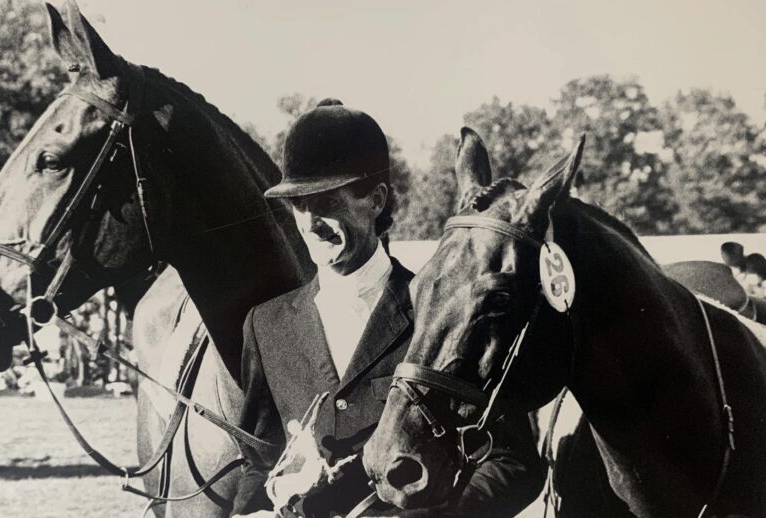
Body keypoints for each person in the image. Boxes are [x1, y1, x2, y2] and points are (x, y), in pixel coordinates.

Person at [231, 99, 544, 517]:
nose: (307, 222)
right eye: (297, 205)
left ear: (376, 201)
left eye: (324, 202)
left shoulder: (441, 316)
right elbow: (259, 460)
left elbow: (514, 460)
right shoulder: (266, 325)